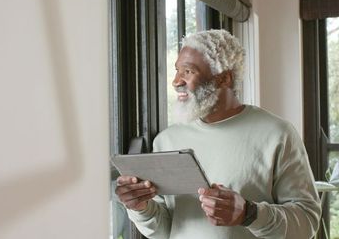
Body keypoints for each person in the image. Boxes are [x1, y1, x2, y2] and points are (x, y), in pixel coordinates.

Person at [115, 29, 321, 239]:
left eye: (188, 71)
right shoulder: (167, 140)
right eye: (177, 71)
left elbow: (307, 223)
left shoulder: (278, 134)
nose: (176, 82)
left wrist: (249, 213)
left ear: (224, 79)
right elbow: (164, 230)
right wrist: (140, 207)